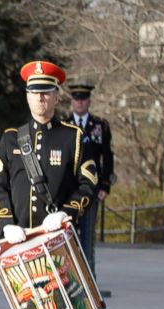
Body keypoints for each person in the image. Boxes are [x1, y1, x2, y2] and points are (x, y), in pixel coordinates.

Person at [0, 61, 98, 309]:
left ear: (56, 97)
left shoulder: (72, 137)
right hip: (22, 241)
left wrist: (68, 212)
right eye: (35, 93)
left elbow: (89, 182)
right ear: (27, 97)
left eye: (47, 93)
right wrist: (6, 222)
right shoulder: (11, 139)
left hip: (55, 240)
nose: (41, 99)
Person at [62, 83, 114, 272]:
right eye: (76, 99)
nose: (80, 103)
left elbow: (107, 157)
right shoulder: (63, 123)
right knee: (68, 234)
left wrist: (105, 185)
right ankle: (71, 276)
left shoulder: (100, 126)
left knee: (88, 236)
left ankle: (89, 278)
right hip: (68, 190)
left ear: (89, 102)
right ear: (72, 101)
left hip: (91, 189)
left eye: (83, 99)